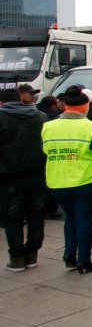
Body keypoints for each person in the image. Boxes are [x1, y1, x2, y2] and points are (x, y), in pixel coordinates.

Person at [42, 86, 92, 273]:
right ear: (85, 108)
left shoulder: (48, 126)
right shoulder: (91, 127)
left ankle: (69, 254)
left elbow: (45, 151)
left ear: (64, 106)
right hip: (85, 181)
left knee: (70, 217)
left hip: (57, 181)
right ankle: (84, 260)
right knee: (85, 220)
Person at [0, 88, 47, 272]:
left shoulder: (2, 117)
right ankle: (32, 254)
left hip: (9, 175)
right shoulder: (40, 116)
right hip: (38, 173)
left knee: (13, 217)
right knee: (36, 214)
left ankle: (17, 258)